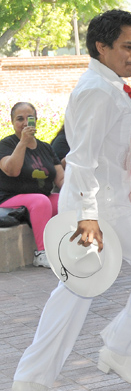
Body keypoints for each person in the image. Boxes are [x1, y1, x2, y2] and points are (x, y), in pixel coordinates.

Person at [12, 9, 131, 391]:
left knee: (74, 293)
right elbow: (83, 158)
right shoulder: (96, 90)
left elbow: (124, 152)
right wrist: (88, 217)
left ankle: (33, 379)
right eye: (127, 46)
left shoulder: (110, 88)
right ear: (101, 47)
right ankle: (118, 348)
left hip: (111, 201)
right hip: (101, 206)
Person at [0, 102, 64, 268]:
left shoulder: (46, 148)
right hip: (9, 199)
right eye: (19, 119)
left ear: (36, 121)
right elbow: (11, 170)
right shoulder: (6, 145)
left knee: (63, 200)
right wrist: (23, 143)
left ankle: (66, 246)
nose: (24, 123)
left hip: (39, 198)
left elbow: (61, 180)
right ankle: (41, 253)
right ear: (12, 122)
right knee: (40, 200)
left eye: (29, 118)